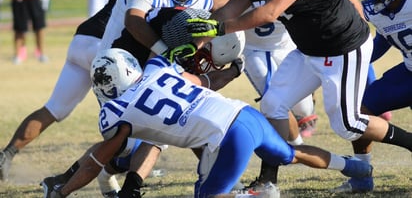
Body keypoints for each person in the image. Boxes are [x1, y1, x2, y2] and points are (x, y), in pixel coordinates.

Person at [186, 0, 412, 189]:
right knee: (272, 105)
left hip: (342, 47)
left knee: (348, 124)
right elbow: (231, 9)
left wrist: (220, 28)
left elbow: (269, 12)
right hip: (308, 49)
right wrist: (196, 41)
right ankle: (268, 182)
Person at [43, 48, 373, 198]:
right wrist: (229, 69)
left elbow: (95, 163)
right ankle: (356, 168)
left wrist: (63, 191)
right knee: (291, 153)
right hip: (244, 114)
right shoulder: (159, 69)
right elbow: (202, 82)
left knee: (207, 196)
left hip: (225, 136)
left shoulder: (117, 113)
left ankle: (259, 196)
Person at [0, 0, 160, 197]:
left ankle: (7, 154)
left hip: (81, 40)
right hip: (105, 51)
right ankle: (81, 178)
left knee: (54, 108)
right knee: (127, 123)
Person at [207, 0, 314, 143]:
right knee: (274, 98)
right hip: (254, 47)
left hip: (286, 41)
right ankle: (295, 147)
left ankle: (301, 126)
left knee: (304, 108)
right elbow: (212, 2)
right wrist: (243, 2)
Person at [332, 0, 412, 193]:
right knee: (358, 112)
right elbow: (385, 39)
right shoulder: (378, 9)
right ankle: (362, 175)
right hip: (409, 72)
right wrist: (352, 59)